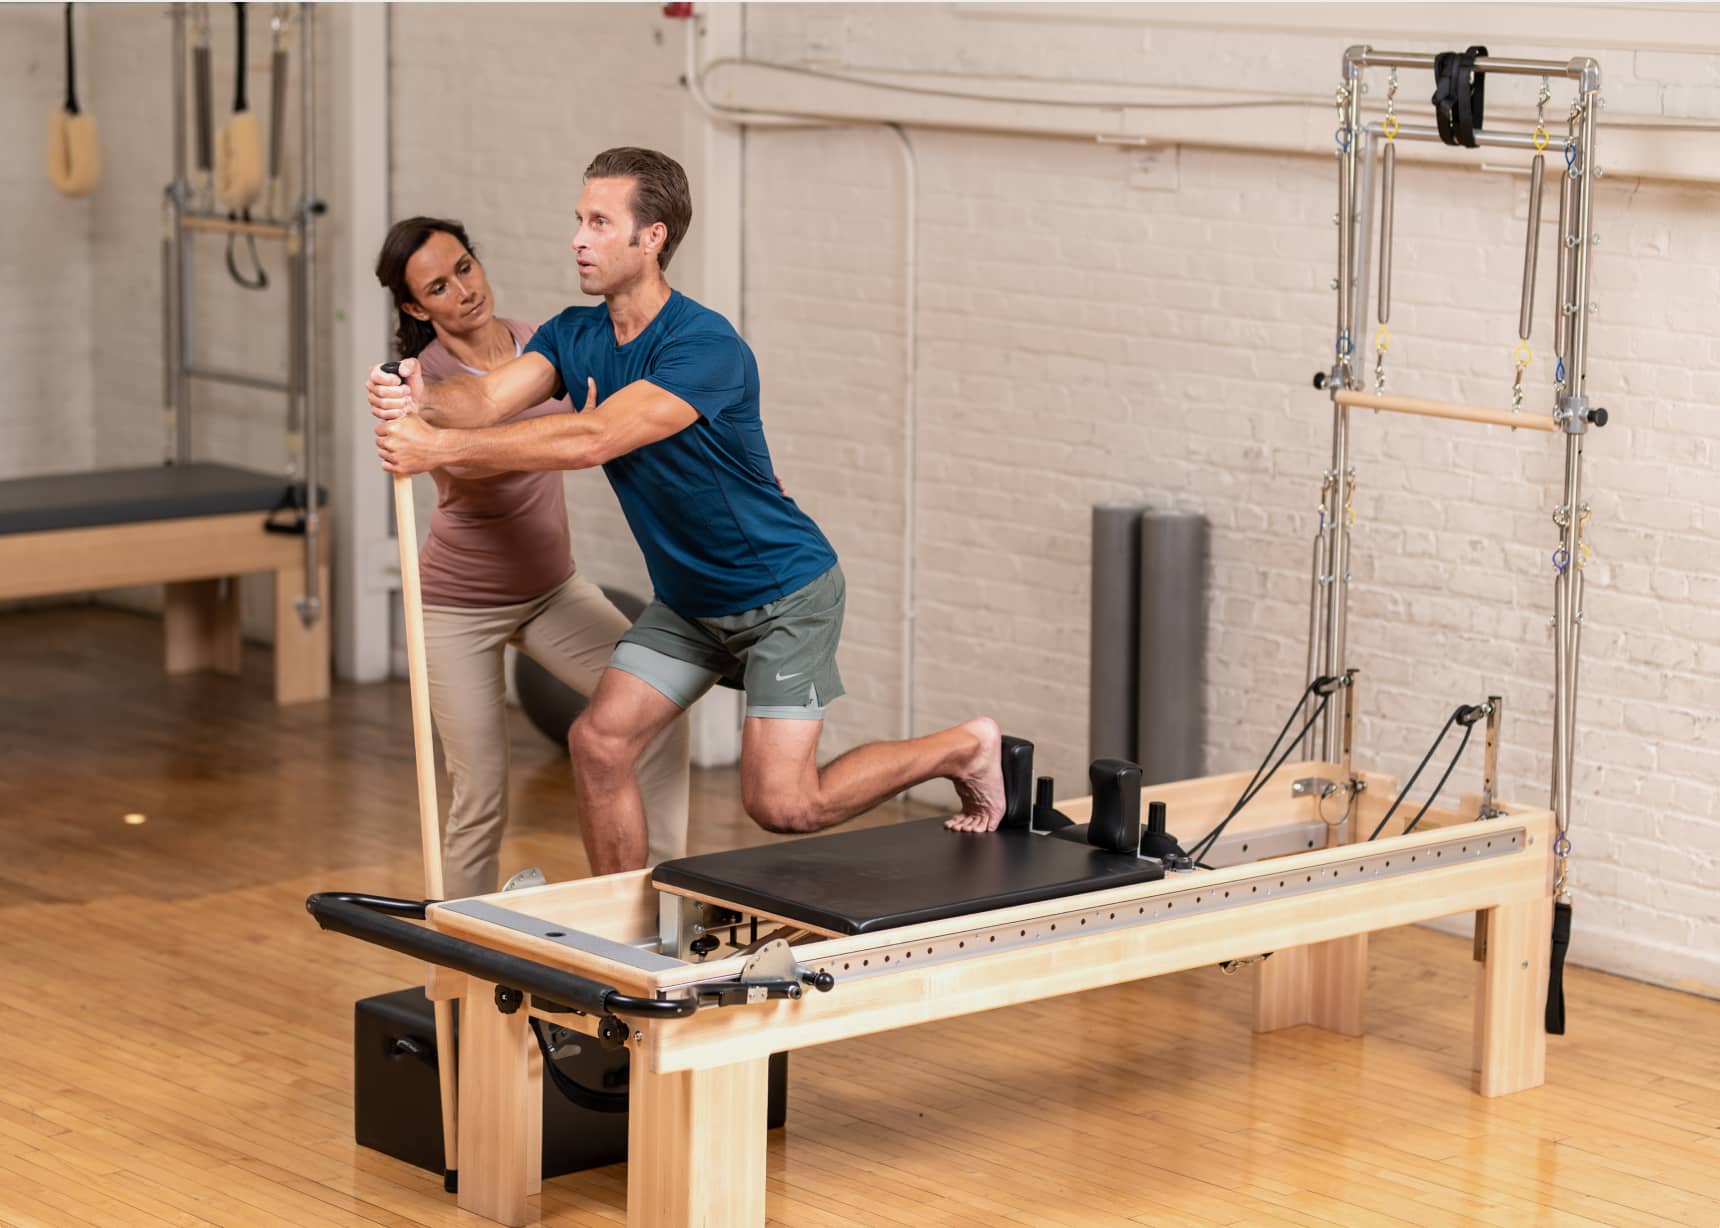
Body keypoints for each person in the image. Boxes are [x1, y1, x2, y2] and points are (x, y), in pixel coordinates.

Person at [368, 148, 1004, 876]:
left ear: (652, 238)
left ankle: (963, 747)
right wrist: (418, 395)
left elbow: (592, 437)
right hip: (688, 606)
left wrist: (433, 446)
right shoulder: (574, 336)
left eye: (600, 223)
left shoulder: (703, 347)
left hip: (782, 595)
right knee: (599, 742)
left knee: (783, 804)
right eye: (579, 220)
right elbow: (480, 398)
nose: (578, 238)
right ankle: (631, 931)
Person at [374, 214, 690, 896]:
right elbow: (477, 466)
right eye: (437, 286)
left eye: (465, 267)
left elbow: (616, 422)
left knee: (660, 707)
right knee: (480, 798)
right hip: (458, 607)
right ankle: (457, 974)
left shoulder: (536, 344)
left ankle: (660, 895)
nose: (462, 291)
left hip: (554, 591)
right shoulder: (424, 381)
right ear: (413, 307)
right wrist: (575, 432)